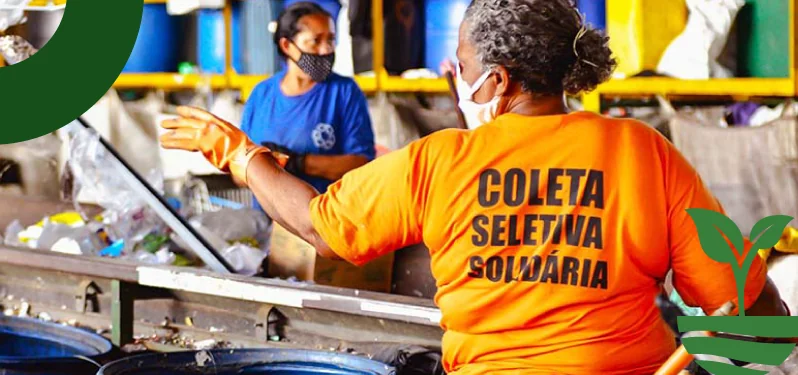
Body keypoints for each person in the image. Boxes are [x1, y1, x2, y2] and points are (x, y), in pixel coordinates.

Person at [160, 0, 793, 373]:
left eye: (460, 66)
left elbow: (322, 227)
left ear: (494, 81)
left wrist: (242, 157)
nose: (457, 77)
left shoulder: (440, 162)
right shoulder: (642, 152)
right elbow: (757, 313)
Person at [240, 1, 375, 199]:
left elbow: (362, 164)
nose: (326, 50)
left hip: (323, 219)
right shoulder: (261, 94)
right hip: (269, 220)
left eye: (331, 40)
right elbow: (238, 171)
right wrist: (260, 165)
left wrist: (298, 163)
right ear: (287, 46)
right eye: (315, 41)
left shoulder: (344, 92)